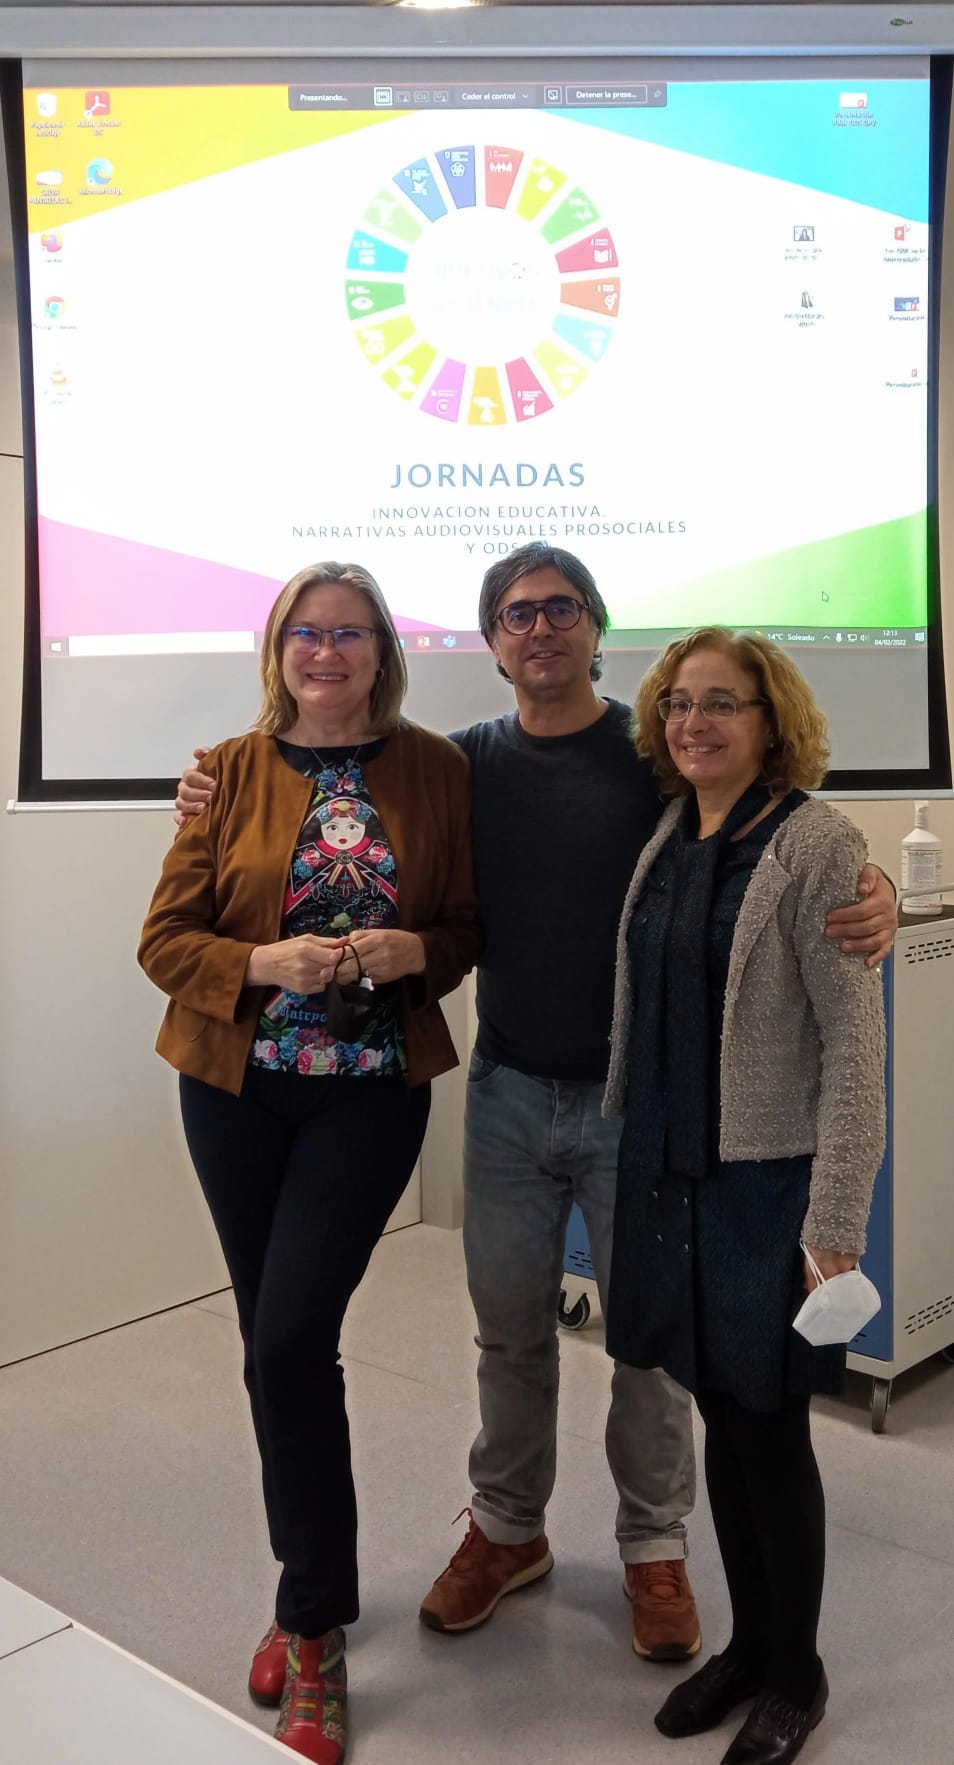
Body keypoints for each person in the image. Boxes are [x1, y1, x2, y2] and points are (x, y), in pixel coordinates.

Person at [174, 544, 896, 1671]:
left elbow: (768, 817)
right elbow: (362, 825)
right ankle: (509, 1527)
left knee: (646, 1345)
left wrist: (876, 883)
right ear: (492, 641)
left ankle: (654, 1544)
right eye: (516, 613)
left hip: (636, 1105)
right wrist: (209, 788)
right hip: (506, 1090)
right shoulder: (460, 763)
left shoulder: (656, 756)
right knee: (509, 1329)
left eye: (562, 608)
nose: (541, 628)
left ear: (597, 628)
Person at [140, 561, 481, 1765]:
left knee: (290, 1340)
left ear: (383, 649)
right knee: (270, 1348)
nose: (326, 651)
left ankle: (313, 1630)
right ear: (277, 647)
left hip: (369, 1097)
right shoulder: (225, 771)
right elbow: (164, 940)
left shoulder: (437, 769)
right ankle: (308, 1593)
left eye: (349, 632)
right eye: (305, 632)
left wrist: (413, 952)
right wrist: (259, 965)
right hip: (234, 1092)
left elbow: (466, 928)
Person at [603, 628, 886, 1765]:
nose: (694, 722)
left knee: (770, 1429)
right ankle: (750, 1644)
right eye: (679, 702)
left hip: (767, 1185)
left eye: (723, 702)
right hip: (668, 1170)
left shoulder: (818, 843)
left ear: (773, 722)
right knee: (719, 1411)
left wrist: (836, 1226)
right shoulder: (670, 829)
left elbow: (855, 1048)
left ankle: (797, 1671)